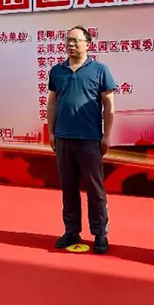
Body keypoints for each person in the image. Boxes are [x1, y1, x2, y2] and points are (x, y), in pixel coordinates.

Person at [47, 26, 116, 254]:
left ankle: (100, 233)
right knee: (68, 188)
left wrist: (107, 134)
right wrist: (52, 132)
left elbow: (109, 104)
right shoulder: (57, 71)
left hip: (90, 138)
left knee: (95, 189)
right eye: (68, 40)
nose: (71, 44)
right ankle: (71, 230)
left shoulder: (99, 70)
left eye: (76, 40)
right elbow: (52, 103)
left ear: (88, 43)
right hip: (64, 137)